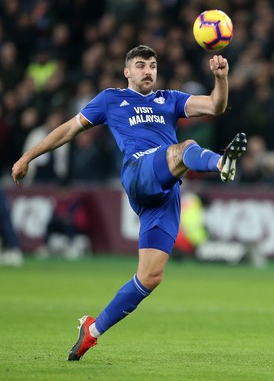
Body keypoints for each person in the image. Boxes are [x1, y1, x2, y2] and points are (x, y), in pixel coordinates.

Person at [11, 45, 247, 361]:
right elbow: (69, 129)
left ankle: (91, 332)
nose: (147, 71)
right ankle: (221, 164)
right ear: (127, 72)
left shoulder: (170, 99)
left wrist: (221, 78)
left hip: (164, 195)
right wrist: (28, 156)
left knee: (150, 276)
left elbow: (216, 106)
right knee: (184, 147)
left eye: (152, 65)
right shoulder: (111, 99)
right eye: (140, 65)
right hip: (139, 172)